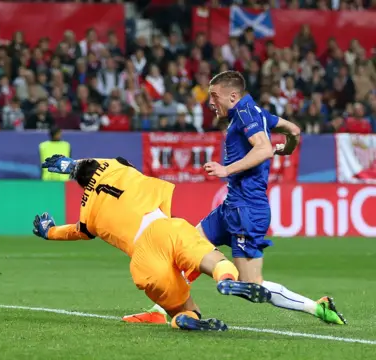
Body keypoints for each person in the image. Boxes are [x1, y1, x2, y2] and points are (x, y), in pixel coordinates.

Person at [127, 71, 346, 325]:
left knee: (251, 286)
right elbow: (294, 130)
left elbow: (263, 148)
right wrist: (285, 148)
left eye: (214, 96)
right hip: (231, 206)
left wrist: (226, 169)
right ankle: (160, 309)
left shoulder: (246, 113)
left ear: (233, 95)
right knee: (184, 248)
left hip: (247, 210)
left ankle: (317, 307)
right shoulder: (256, 113)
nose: (210, 103)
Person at [33, 155, 272, 331]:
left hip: (143, 260)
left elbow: (78, 231)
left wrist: (50, 231)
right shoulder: (120, 168)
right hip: (166, 229)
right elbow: (105, 163)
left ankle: (185, 319)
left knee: (184, 309)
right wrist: (72, 165)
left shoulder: (88, 214)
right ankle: (227, 280)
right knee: (213, 260)